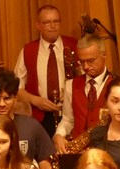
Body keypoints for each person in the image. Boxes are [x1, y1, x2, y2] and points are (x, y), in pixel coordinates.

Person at [54, 34, 120, 151]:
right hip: (78, 153)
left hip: (110, 151)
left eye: (91, 61)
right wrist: (59, 135)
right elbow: (68, 120)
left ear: (104, 55)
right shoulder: (71, 85)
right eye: (82, 62)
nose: (86, 67)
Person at [14, 4, 79, 135]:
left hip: (71, 113)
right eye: (47, 22)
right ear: (38, 25)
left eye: (56, 21)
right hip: (40, 116)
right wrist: (35, 100)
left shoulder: (74, 45)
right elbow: (16, 87)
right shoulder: (28, 50)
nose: (52, 26)